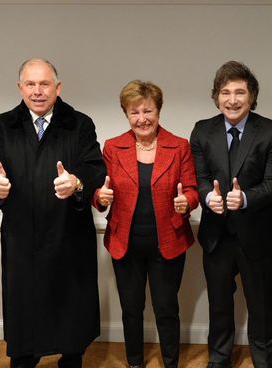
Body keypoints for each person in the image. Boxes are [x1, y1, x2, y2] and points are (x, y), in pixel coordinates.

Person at [0, 58, 106, 368]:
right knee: (25, 316)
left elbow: (95, 168)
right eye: (30, 84)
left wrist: (76, 182)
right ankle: (25, 358)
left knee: (71, 321)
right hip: (23, 238)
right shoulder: (2, 124)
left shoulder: (79, 123)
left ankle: (70, 357)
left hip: (69, 236)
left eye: (44, 83)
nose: (37, 91)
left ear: (57, 87)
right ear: (20, 87)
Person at [93, 80, 199, 368]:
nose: (142, 118)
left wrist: (186, 202)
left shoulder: (179, 147)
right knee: (131, 309)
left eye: (148, 111)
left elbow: (192, 190)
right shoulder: (113, 148)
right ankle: (135, 362)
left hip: (168, 242)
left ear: (159, 111)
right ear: (126, 115)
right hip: (124, 243)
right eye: (134, 112)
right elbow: (100, 193)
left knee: (166, 309)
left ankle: (171, 362)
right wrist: (100, 197)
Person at [190, 61, 272, 368]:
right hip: (216, 236)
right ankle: (218, 360)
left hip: (258, 236)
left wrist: (244, 198)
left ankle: (263, 361)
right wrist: (208, 198)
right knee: (219, 306)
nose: (232, 99)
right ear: (217, 97)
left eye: (240, 92)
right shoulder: (202, 130)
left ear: (252, 96)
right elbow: (201, 179)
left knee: (261, 307)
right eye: (225, 92)